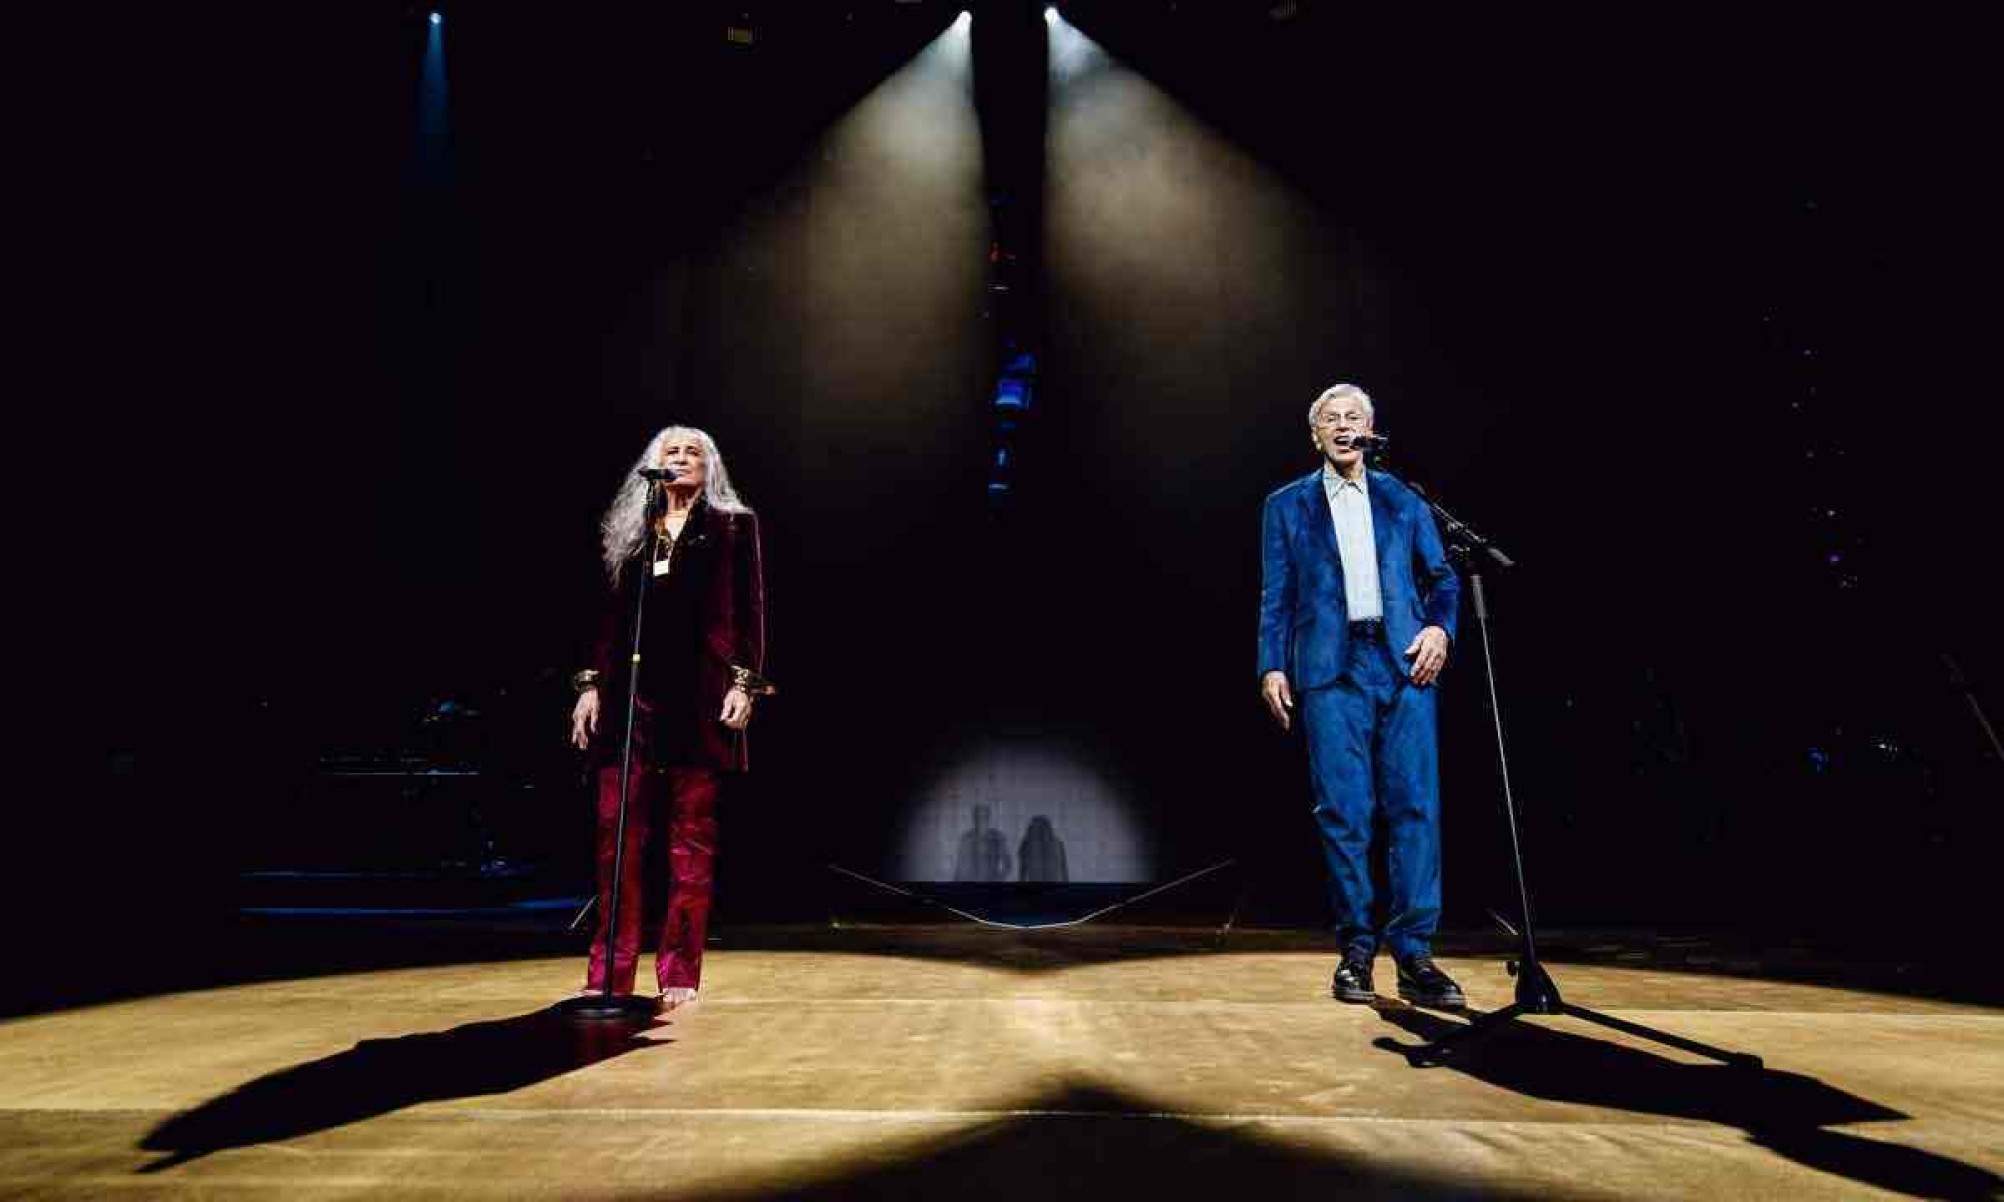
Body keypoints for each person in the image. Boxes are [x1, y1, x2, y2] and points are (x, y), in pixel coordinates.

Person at [1257, 383, 1465, 1007]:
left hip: (1402, 663)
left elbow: (1443, 578)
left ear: (1371, 428)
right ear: (1315, 434)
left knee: (1415, 808)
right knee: (1344, 812)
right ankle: (1357, 951)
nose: (1344, 426)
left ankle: (1416, 954)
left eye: (1354, 417)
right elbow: (1276, 595)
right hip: (1330, 668)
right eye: (1331, 419)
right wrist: (1271, 666)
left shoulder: (1404, 498)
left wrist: (1439, 628)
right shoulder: (1287, 505)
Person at [569, 426, 770, 1007]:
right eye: (670, 453)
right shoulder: (631, 532)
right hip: (631, 699)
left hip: (698, 699)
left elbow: (750, 609)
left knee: (690, 844)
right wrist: (590, 686)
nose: (680, 460)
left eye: (692, 453)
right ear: (651, 466)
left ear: (710, 467)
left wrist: (745, 681)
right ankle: (610, 972)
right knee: (617, 839)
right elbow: (605, 619)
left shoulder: (734, 526)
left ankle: (679, 971)